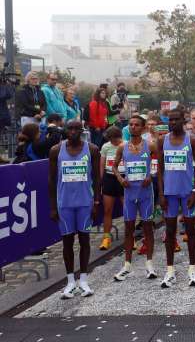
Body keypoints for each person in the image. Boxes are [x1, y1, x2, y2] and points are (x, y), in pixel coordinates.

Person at [49, 119, 100, 299]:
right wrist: (53, 206)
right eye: (69, 128)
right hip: (65, 204)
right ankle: (70, 281)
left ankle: (84, 279)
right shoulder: (56, 151)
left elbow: (97, 178)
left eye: (76, 129)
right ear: (65, 130)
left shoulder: (92, 149)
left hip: (85, 202)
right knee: (67, 242)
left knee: (85, 240)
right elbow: (51, 181)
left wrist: (96, 202)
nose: (72, 132)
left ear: (82, 130)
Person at [158, 107, 195, 288]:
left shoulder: (191, 140)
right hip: (169, 193)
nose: (173, 123)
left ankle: (193, 268)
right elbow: (160, 169)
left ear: (183, 121)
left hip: (187, 193)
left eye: (176, 120)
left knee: (190, 231)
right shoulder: (162, 141)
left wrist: (194, 191)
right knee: (169, 232)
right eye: (170, 120)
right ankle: (170, 270)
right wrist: (161, 194)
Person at [112, 115, 158, 281]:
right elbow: (114, 166)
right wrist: (120, 178)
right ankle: (127, 265)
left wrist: (151, 175)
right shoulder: (122, 147)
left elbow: (162, 163)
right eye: (130, 124)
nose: (133, 127)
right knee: (129, 228)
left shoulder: (150, 145)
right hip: (130, 192)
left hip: (146, 193)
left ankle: (150, 263)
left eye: (137, 125)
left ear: (143, 127)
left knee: (147, 228)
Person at [98, 126, 125, 250]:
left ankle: (130, 237)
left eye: (115, 139)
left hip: (124, 178)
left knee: (127, 210)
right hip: (110, 178)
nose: (113, 142)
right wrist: (101, 182)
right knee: (107, 209)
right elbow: (102, 165)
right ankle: (106, 238)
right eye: (111, 139)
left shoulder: (126, 145)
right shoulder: (106, 147)